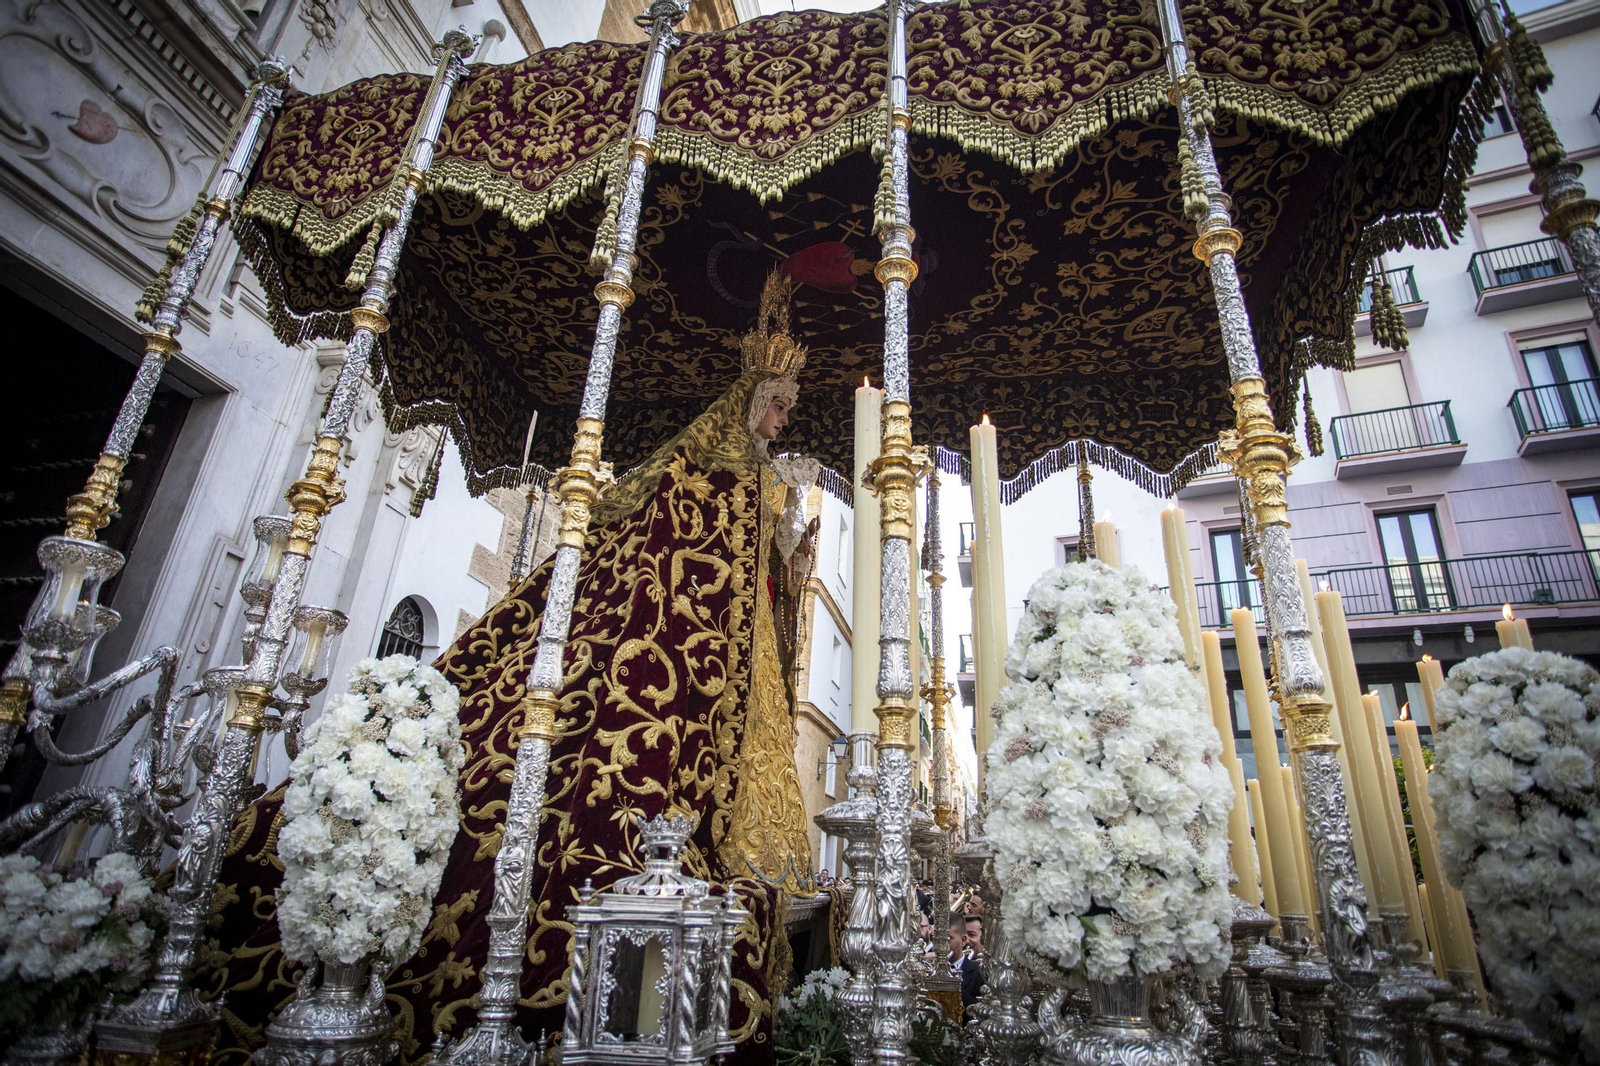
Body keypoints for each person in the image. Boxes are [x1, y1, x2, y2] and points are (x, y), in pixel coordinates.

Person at [198, 274, 823, 1066]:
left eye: (788, 409)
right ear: (752, 400)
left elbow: (753, 587)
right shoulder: (707, 469)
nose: (782, 420)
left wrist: (787, 569)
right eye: (778, 406)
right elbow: (674, 546)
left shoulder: (765, 484)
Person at [949, 913, 983, 1007]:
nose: (940, 945)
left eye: (948, 938)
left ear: (963, 940)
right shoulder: (927, 969)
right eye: (936, 938)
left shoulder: (979, 974)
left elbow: (976, 1010)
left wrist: (950, 981)